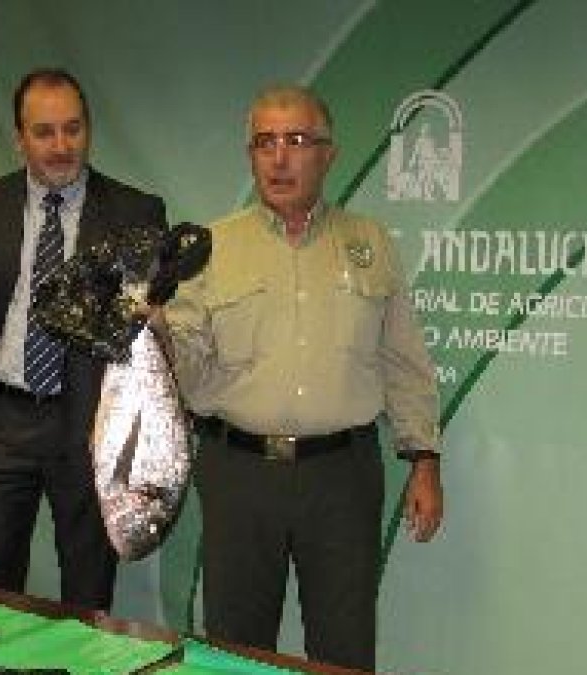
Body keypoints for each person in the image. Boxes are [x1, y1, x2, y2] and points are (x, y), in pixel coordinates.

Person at [154, 85, 443, 670]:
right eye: (264, 143)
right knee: (235, 647)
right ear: (250, 155)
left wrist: (425, 461)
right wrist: (153, 328)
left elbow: (404, 361)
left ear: (328, 154)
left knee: (344, 647)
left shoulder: (370, 243)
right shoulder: (209, 247)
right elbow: (181, 368)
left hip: (343, 478)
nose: (279, 158)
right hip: (239, 474)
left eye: (296, 141)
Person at [0, 68, 167, 610]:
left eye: (73, 129)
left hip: (88, 422)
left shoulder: (137, 212)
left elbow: (145, 336)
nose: (61, 146)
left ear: (88, 130)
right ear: (20, 137)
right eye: (44, 132)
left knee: (88, 588)